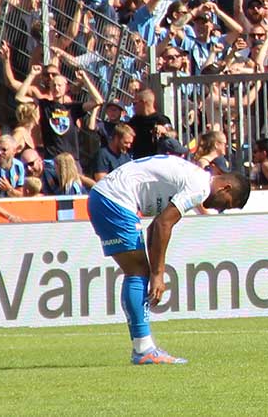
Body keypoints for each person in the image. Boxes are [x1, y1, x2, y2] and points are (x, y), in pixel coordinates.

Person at [87, 154, 250, 364]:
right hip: (114, 200)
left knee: (138, 271)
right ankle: (143, 350)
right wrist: (158, 275)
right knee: (137, 272)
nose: (220, 209)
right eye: (226, 204)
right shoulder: (200, 187)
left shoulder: (194, 177)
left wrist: (155, 271)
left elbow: (155, 228)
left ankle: (143, 348)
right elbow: (164, 224)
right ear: (225, 188)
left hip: (105, 197)